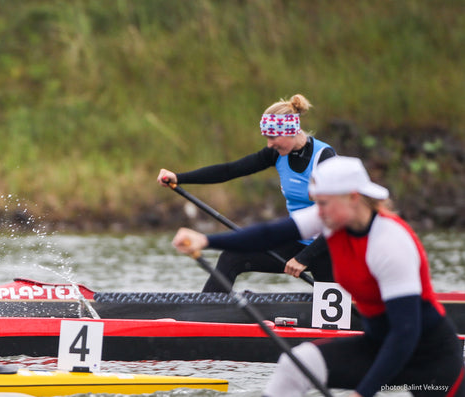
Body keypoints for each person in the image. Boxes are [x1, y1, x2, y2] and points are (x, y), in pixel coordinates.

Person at [172, 156, 463, 397]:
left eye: (323, 203)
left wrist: (364, 392)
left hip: (429, 359)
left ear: (353, 198)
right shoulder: (332, 217)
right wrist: (206, 242)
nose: (316, 212)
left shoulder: (390, 242)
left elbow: (405, 334)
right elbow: (270, 234)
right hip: (377, 345)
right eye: (316, 203)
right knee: (293, 365)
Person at [157, 94, 337, 292]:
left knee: (331, 312)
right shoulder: (276, 154)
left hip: (329, 247)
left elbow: (339, 221)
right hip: (297, 241)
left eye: (272, 137)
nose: (269, 144)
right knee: (232, 256)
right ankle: (205, 313)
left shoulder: (325, 158)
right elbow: (229, 170)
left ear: (291, 132)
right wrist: (179, 177)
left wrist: (305, 258)